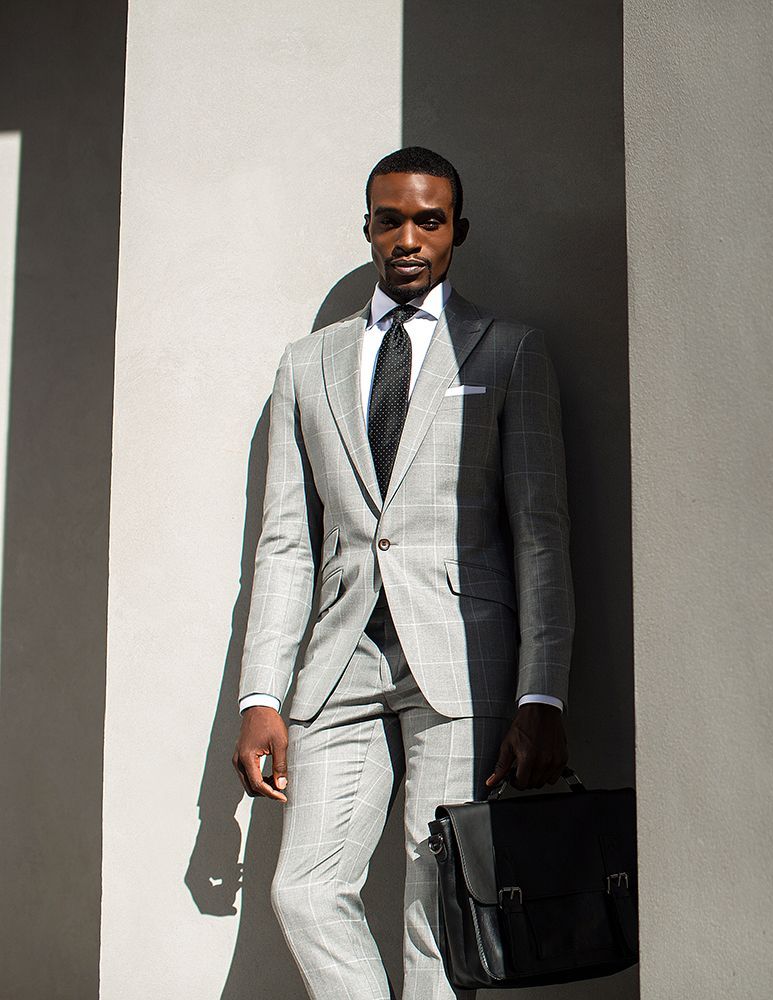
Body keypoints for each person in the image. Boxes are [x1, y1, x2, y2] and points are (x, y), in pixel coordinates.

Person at [230, 146, 574, 1000]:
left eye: (429, 220)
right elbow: (284, 546)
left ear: (458, 230)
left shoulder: (508, 351)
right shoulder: (307, 364)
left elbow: (541, 538)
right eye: (391, 221)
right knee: (304, 889)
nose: (409, 238)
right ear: (369, 229)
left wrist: (543, 697)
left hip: (461, 660)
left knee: (437, 907)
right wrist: (260, 695)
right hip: (341, 660)